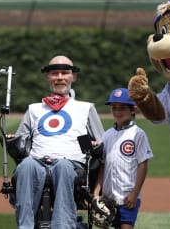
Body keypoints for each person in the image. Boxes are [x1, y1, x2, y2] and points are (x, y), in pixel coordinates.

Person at [12, 55, 104, 229]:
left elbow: (102, 142)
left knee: (62, 166)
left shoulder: (85, 108)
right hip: (37, 160)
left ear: (73, 77)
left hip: (70, 162)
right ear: (48, 77)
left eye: (64, 73)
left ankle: (63, 226)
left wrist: (95, 145)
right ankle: (25, 226)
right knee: (25, 166)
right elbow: (20, 142)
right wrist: (12, 141)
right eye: (55, 73)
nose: (60, 77)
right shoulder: (34, 109)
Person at [93, 88, 153, 229]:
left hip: (128, 195)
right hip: (109, 196)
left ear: (133, 110)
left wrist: (134, 193)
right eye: (114, 108)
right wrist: (97, 192)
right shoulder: (107, 135)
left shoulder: (138, 134)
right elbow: (103, 165)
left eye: (123, 108)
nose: (118, 112)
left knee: (126, 227)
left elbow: (143, 165)